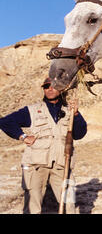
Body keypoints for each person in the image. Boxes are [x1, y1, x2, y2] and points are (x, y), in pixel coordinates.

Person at [0, 77, 87, 214]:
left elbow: (80, 133)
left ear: (61, 89)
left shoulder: (69, 110)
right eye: (46, 87)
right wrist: (22, 136)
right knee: (33, 205)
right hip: (37, 165)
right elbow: (5, 122)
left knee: (69, 202)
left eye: (53, 86)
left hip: (62, 164)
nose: (50, 89)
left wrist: (76, 114)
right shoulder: (32, 110)